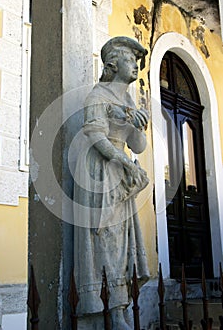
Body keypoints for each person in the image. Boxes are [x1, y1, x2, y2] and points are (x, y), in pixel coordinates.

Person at [73, 36, 150, 329]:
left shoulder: (128, 99)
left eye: (137, 62)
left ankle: (119, 308)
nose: (136, 67)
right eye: (131, 61)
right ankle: (105, 311)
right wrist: (122, 162)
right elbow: (95, 135)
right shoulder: (98, 95)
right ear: (113, 65)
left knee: (122, 242)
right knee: (105, 238)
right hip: (100, 169)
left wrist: (138, 124)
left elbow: (139, 145)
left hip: (121, 170)